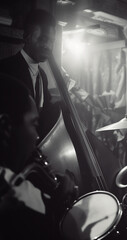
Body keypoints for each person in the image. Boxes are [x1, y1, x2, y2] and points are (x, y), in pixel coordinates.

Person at [0, 75, 78, 239]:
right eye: (33, 124)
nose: (36, 136)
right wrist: (55, 207)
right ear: (5, 127)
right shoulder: (12, 198)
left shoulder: (13, 178)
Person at [0, 8, 59, 141]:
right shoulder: (5, 69)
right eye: (43, 39)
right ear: (27, 37)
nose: (48, 46)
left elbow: (42, 114)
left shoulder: (42, 76)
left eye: (51, 41)